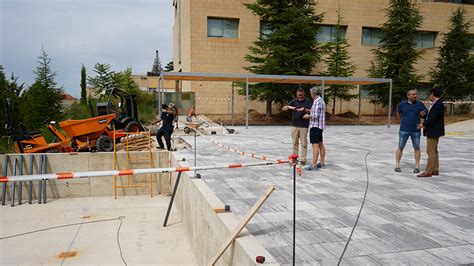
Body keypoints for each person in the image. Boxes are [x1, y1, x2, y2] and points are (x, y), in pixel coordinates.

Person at [394, 89, 428, 173]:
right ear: (408, 96)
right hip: (404, 129)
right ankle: (397, 165)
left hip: (415, 130)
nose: (415, 96)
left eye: (416, 94)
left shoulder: (420, 104)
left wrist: (423, 113)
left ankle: (417, 166)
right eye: (413, 94)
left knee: (417, 147)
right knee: (400, 146)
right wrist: (401, 120)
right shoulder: (402, 104)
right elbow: (398, 111)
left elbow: (425, 112)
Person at [416, 88, 445, 178]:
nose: (429, 96)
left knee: (430, 151)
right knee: (434, 151)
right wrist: (424, 115)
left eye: (430, 94)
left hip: (433, 130)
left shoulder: (438, 104)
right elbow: (431, 116)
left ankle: (428, 171)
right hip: (435, 130)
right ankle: (435, 169)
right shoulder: (437, 104)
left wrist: (423, 125)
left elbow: (433, 118)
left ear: (432, 94)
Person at [282, 88, 313, 165]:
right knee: (295, 143)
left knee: (304, 144)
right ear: (296, 94)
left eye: (301, 95)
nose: (300, 96)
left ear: (304, 94)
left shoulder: (308, 101)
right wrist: (287, 107)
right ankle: (294, 159)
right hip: (294, 125)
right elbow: (284, 108)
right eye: (299, 95)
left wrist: (305, 109)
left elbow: (312, 110)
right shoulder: (294, 101)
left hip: (303, 126)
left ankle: (303, 159)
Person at [303, 87, 326, 170]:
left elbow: (315, 115)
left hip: (315, 126)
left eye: (310, 93)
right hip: (320, 126)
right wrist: (307, 110)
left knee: (315, 145)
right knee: (320, 144)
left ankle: (314, 164)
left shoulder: (316, 101)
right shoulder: (321, 100)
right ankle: (322, 163)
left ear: (313, 94)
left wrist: (307, 116)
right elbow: (316, 112)